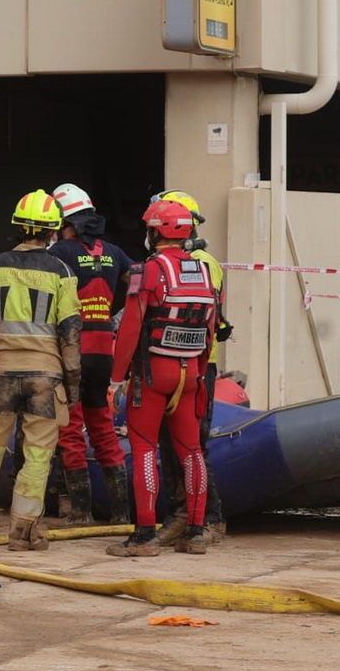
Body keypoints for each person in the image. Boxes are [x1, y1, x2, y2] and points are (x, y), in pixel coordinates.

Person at [0, 189, 82, 551]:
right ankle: (24, 532)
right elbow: (70, 333)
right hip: (45, 378)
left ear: (19, 227)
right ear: (52, 231)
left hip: (5, 374)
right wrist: (72, 384)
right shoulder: (62, 271)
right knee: (38, 454)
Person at [108, 199, 217, 557]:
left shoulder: (149, 271)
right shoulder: (204, 271)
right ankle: (196, 532)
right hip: (191, 373)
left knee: (143, 448)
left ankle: (144, 536)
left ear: (154, 232)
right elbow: (211, 328)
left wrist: (116, 378)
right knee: (192, 451)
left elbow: (130, 329)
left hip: (153, 374)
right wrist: (198, 371)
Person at [149, 189, 233, 548]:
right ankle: (180, 516)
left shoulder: (201, 263)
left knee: (192, 444)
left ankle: (209, 518)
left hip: (197, 364)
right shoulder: (174, 262)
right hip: (175, 362)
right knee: (169, 445)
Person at [47, 183, 133, 525]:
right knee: (103, 427)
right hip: (103, 351)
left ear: (63, 220)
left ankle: (80, 513)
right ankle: (122, 513)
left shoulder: (60, 252)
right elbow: (138, 282)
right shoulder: (113, 251)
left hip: (73, 350)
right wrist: (117, 316)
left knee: (71, 429)